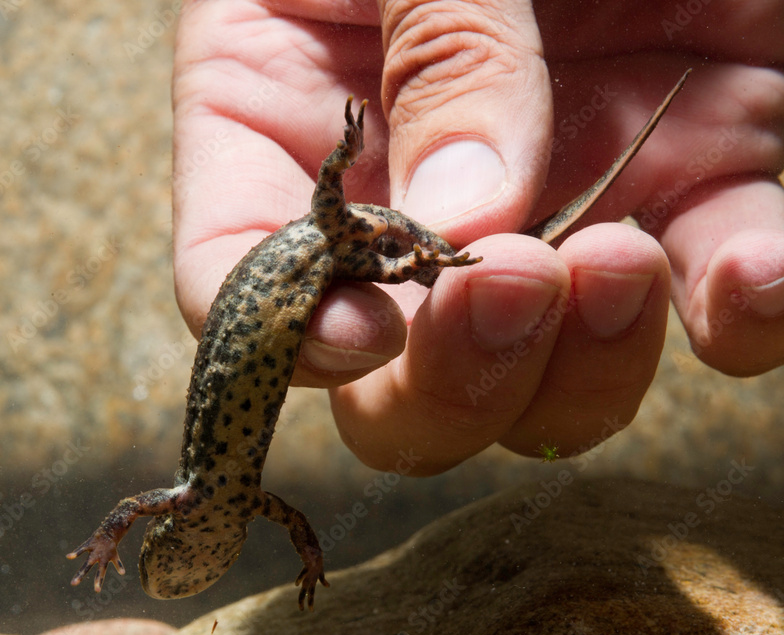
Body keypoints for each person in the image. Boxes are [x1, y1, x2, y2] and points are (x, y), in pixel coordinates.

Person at [170, 0, 784, 475]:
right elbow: (378, 255)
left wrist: (360, 148)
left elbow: (338, 205)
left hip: (358, 239)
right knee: (470, 293)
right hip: (356, 255)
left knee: (457, 274)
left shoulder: (345, 227)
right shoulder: (360, 252)